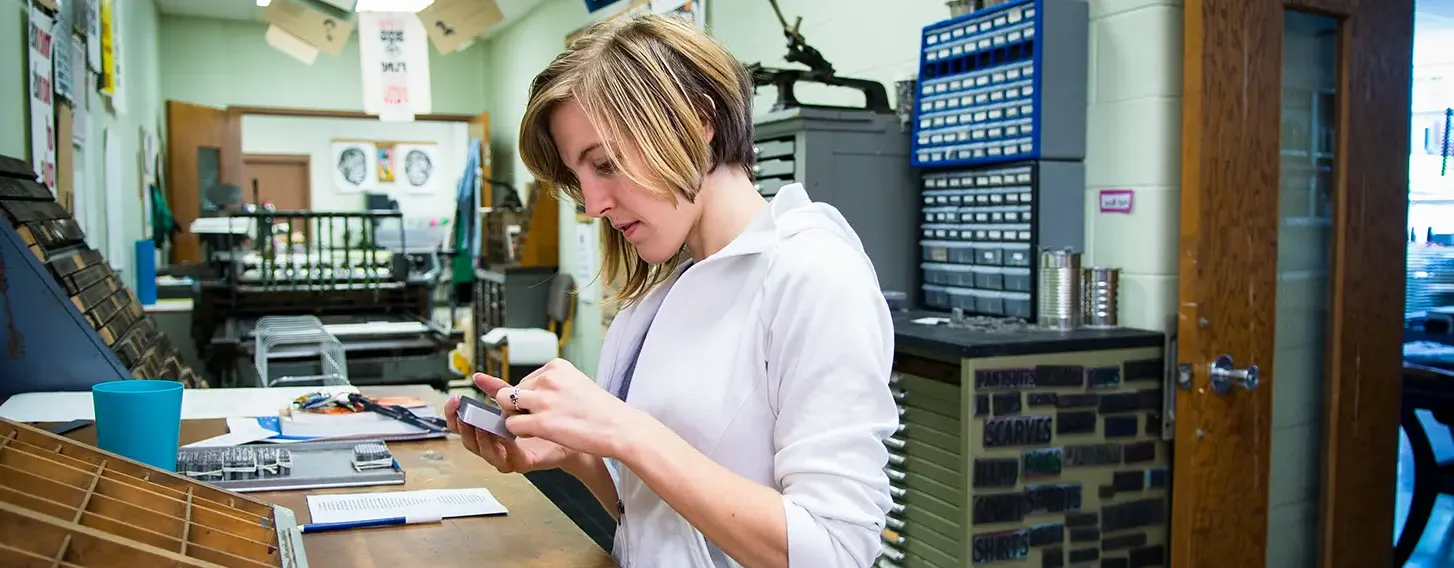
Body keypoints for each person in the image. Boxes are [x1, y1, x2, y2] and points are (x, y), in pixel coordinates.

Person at [443, 13, 899, 568]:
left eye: (606, 163)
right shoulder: (657, 294)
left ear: (698, 119)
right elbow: (655, 522)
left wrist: (627, 432)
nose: (592, 206)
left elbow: (835, 550)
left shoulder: (814, 274)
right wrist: (576, 455)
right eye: (579, 178)